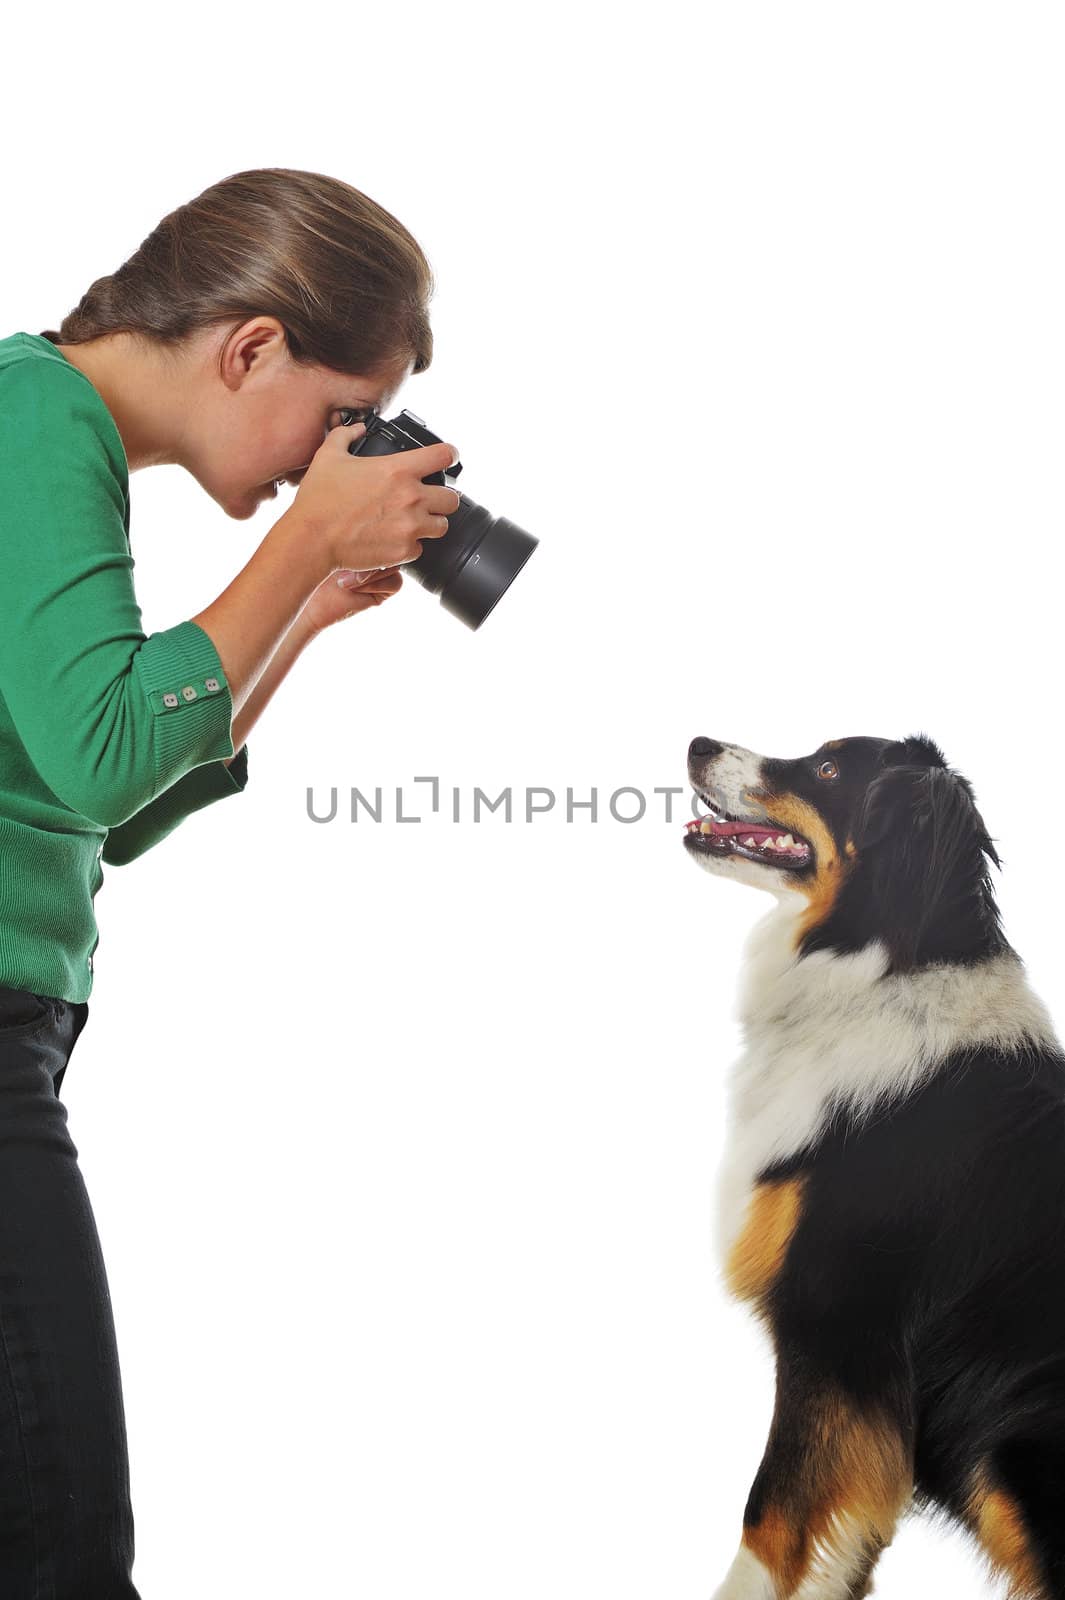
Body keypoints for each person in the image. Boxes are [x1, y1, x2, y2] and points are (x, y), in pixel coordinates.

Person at [0, 166, 461, 1597]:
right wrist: (302, 543)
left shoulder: (42, 430)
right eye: (343, 418)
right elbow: (103, 755)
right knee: (58, 1546)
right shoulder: (32, 421)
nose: (336, 461)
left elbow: (109, 808)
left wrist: (299, 617)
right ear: (250, 344)